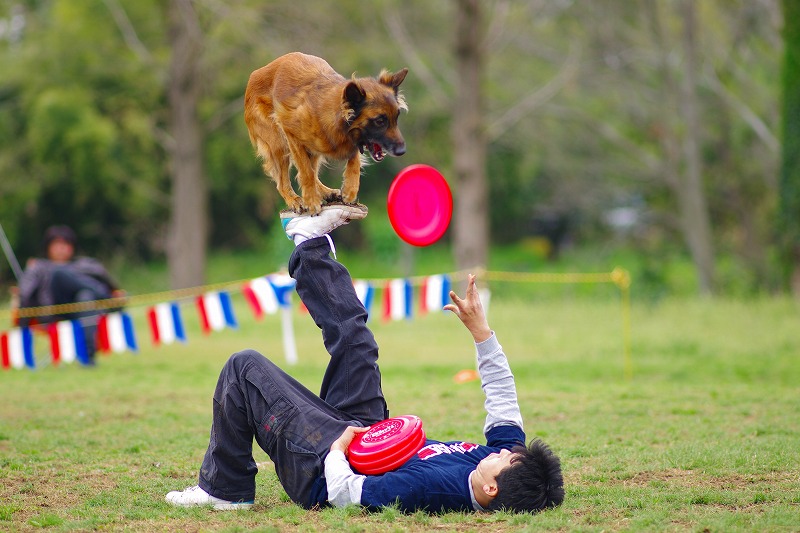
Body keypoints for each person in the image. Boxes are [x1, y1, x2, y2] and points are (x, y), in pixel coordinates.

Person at [165, 205, 564, 513]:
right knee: (357, 344)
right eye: (509, 451)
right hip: (369, 435)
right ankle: (310, 243)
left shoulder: (431, 489)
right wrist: (481, 332)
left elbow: (347, 494)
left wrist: (337, 449)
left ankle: (224, 491)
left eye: (503, 458)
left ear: (491, 488)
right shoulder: (502, 462)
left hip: (326, 467)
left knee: (244, 367)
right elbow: (503, 400)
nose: (499, 450)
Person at [17, 225, 123, 363]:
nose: (61, 249)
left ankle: (89, 357)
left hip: (82, 309)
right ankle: (104, 296)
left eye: (65, 244)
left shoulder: (85, 264)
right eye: (57, 244)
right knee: (60, 273)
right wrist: (23, 323)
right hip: (52, 311)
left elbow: (110, 284)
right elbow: (25, 293)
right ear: (48, 247)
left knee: (85, 295)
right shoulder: (39, 267)